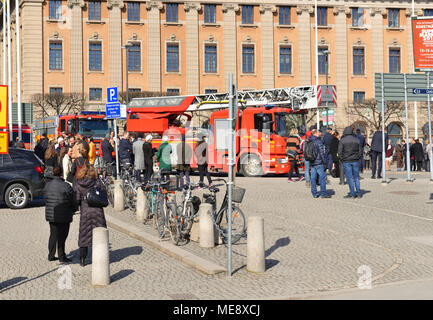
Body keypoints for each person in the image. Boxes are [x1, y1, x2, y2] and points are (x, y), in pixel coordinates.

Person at [74, 164, 107, 267]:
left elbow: (77, 199)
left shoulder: (79, 183)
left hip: (86, 211)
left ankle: (83, 259)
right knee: (99, 234)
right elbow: (103, 192)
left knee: (84, 235)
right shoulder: (97, 181)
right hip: (98, 211)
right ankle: (100, 257)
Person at [44, 166, 76, 263]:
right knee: (62, 236)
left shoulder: (48, 185)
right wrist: (74, 210)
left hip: (52, 214)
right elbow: (72, 200)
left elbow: (45, 198)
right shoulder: (66, 186)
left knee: (53, 234)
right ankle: (62, 256)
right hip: (64, 215)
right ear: (61, 174)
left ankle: (51, 254)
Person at [338, 126, 363, 199]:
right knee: (356, 178)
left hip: (346, 161)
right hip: (355, 160)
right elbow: (360, 151)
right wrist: (357, 157)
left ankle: (352, 193)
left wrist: (342, 159)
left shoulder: (342, 140)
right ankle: (358, 193)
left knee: (349, 178)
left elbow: (339, 152)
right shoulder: (357, 140)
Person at [308, 129, 329, 198]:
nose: (320, 133)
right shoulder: (318, 141)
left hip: (312, 161)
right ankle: (323, 193)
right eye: (319, 132)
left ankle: (314, 193)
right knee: (322, 178)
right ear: (316, 133)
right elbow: (322, 153)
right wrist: (325, 162)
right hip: (319, 162)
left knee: (313, 178)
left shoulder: (309, 140)